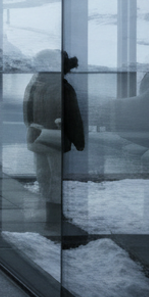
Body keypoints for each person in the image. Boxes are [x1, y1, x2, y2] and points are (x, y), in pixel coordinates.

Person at [23, 49, 85, 224]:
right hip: (54, 139)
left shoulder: (34, 83)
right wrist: (79, 141)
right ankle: (54, 216)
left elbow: (26, 111)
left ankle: (45, 209)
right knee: (56, 176)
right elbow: (73, 117)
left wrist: (31, 128)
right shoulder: (63, 87)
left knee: (43, 175)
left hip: (36, 137)